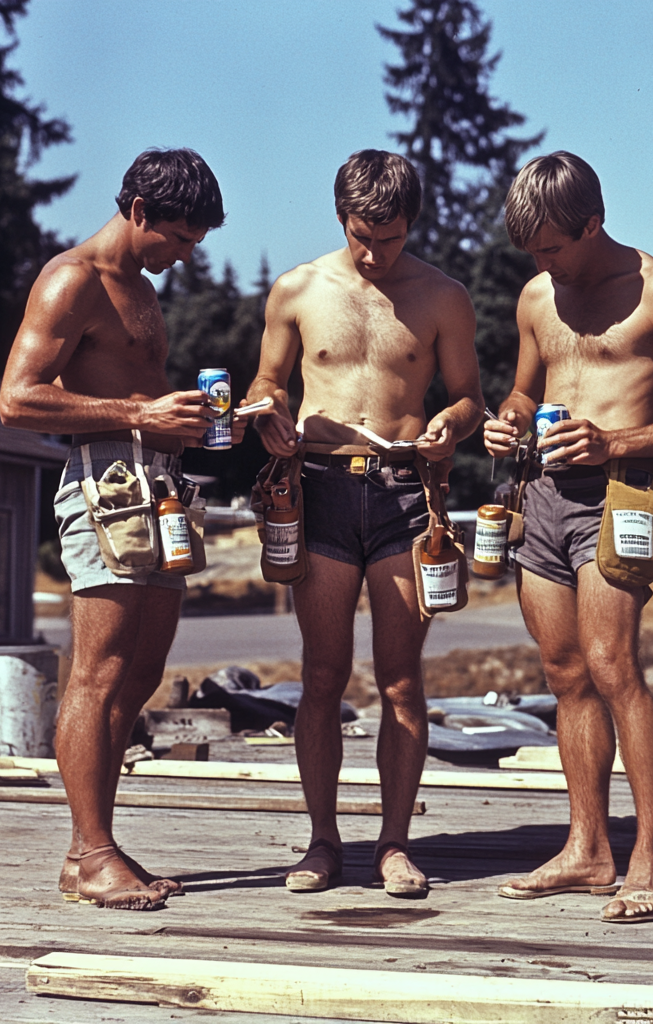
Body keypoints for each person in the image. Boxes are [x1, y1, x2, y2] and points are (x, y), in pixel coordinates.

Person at [484, 152, 653, 923]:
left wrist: (614, 442)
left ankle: (650, 858)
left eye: (553, 246)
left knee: (614, 666)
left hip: (622, 495)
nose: (542, 261)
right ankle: (588, 849)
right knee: (564, 673)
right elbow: (527, 388)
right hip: (545, 494)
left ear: (593, 223)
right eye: (531, 250)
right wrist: (510, 420)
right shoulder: (536, 295)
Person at [0, 148, 238, 910]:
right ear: (138, 211)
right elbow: (16, 399)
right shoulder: (72, 278)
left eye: (195, 244)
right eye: (176, 238)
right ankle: (88, 852)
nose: (183, 256)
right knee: (97, 670)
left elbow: (135, 392)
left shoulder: (140, 287)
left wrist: (184, 421)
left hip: (159, 484)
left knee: (139, 673)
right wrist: (139, 414)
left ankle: (94, 847)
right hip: (103, 486)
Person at [246, 150, 484, 896]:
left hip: (405, 496)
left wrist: (451, 422)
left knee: (403, 682)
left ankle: (393, 844)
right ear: (341, 218)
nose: (374, 253)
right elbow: (263, 384)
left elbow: (471, 396)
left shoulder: (444, 297)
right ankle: (322, 842)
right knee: (321, 675)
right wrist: (269, 417)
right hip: (317, 490)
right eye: (360, 235)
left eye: (389, 237)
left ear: (412, 222)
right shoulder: (297, 288)